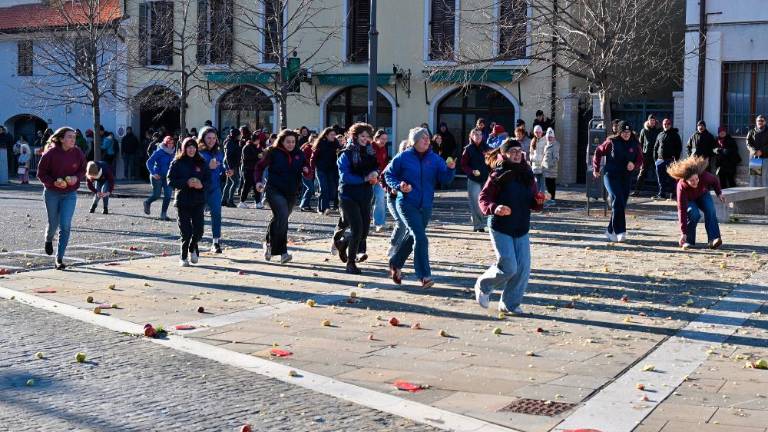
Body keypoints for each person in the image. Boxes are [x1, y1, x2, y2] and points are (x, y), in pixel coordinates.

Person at [475, 138, 545, 313]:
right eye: (512, 151)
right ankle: (483, 286)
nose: (516, 154)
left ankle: (509, 304)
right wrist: (495, 208)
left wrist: (538, 202)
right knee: (509, 267)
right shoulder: (498, 174)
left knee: (523, 269)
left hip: (521, 227)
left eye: (519, 151)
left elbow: (533, 201)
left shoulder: (527, 174)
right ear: (504, 154)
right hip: (501, 227)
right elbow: (483, 198)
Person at [384, 127, 456, 288]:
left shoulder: (435, 158)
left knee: (414, 236)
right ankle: (424, 275)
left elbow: (445, 179)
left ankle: (395, 263)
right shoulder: (403, 157)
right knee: (421, 238)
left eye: (427, 137)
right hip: (406, 203)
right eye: (423, 137)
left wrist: (451, 169)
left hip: (426, 205)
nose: (427, 140)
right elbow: (388, 174)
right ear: (414, 140)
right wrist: (399, 185)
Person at [254, 129, 307, 264]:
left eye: (293, 142)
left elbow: (307, 167)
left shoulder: (299, 154)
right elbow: (259, 167)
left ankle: (268, 244)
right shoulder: (273, 152)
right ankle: (283, 252)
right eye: (288, 142)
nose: (291, 144)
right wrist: (258, 181)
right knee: (282, 215)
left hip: (291, 191)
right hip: (274, 189)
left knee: (280, 218)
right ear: (281, 141)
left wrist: (307, 170)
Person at [36, 127, 86, 270]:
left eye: (74, 137)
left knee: (65, 225)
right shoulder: (50, 153)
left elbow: (83, 169)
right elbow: (41, 173)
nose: (73, 139)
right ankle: (48, 239)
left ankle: (59, 259)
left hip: (70, 194)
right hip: (52, 193)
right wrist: (54, 182)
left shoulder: (78, 152)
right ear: (61, 139)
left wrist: (76, 177)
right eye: (69, 137)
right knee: (53, 223)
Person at [332, 123, 379, 274]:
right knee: (357, 229)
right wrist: (365, 178)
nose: (365, 139)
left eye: (368, 136)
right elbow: (345, 176)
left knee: (364, 232)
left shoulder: (370, 152)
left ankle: (343, 243)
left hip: (365, 194)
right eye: (362, 136)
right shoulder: (346, 154)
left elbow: (375, 167)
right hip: (348, 195)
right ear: (355, 136)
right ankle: (351, 263)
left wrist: (375, 174)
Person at [593, 121, 643, 243]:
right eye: (624, 132)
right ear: (619, 132)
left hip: (625, 177)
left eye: (628, 132)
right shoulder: (611, 142)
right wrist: (596, 168)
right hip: (610, 175)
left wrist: (634, 165)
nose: (626, 134)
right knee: (617, 197)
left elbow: (640, 160)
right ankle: (620, 231)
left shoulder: (635, 143)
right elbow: (598, 151)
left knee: (620, 204)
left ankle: (610, 230)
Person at [168, 138, 210, 266]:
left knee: (199, 231)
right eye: (188, 147)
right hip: (182, 201)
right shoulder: (177, 162)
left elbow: (209, 180)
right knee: (186, 232)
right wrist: (186, 183)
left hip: (198, 201)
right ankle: (183, 256)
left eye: (193, 147)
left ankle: (193, 247)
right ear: (184, 148)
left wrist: (201, 185)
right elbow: (170, 181)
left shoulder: (202, 162)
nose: (191, 150)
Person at [667, 157, 724, 250]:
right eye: (692, 181)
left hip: (702, 194)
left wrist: (719, 193)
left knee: (710, 210)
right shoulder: (681, 187)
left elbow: (714, 180)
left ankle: (713, 239)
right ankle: (688, 240)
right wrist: (683, 233)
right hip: (688, 199)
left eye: (696, 179)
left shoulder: (704, 176)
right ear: (686, 180)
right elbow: (682, 211)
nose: (695, 182)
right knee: (694, 214)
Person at [198, 126, 225, 253]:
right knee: (197, 215)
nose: (211, 140)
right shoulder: (198, 153)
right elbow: (194, 170)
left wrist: (226, 171)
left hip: (215, 188)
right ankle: (194, 241)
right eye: (208, 138)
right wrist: (208, 167)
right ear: (202, 138)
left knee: (216, 214)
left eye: (214, 138)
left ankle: (216, 242)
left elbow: (221, 167)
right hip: (200, 188)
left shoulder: (218, 153)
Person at [461, 128, 489, 232]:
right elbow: (463, 165)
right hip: (473, 179)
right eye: (476, 135)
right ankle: (478, 226)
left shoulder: (487, 148)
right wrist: (471, 171)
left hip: (486, 179)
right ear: (471, 136)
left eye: (480, 134)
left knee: (485, 202)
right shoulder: (468, 149)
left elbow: (492, 161)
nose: (478, 137)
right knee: (475, 203)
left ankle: (478, 220)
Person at [144, 136, 175, 221]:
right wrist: (153, 173)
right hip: (157, 176)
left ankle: (163, 214)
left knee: (168, 195)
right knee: (156, 195)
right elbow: (149, 162)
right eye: (169, 143)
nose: (171, 145)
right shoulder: (159, 151)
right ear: (165, 143)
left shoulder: (173, 152)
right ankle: (147, 202)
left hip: (168, 177)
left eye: (172, 143)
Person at [310, 127, 340, 215]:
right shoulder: (320, 143)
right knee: (324, 188)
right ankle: (324, 208)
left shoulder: (336, 143)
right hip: (321, 169)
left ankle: (323, 207)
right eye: (331, 135)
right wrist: (312, 169)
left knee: (332, 189)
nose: (333, 136)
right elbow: (313, 157)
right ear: (326, 135)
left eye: (334, 134)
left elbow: (340, 154)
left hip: (331, 169)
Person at [652, 118, 683, 200]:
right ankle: (662, 194)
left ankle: (673, 194)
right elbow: (655, 147)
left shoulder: (675, 134)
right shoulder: (660, 134)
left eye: (668, 124)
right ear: (662, 125)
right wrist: (655, 159)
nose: (666, 125)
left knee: (671, 178)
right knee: (660, 179)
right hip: (660, 160)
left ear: (670, 124)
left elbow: (679, 147)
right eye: (664, 124)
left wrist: (676, 159)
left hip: (670, 160)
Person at [632, 114, 661, 197]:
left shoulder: (659, 130)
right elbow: (640, 143)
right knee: (642, 173)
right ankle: (637, 191)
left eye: (653, 120)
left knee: (659, 173)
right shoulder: (644, 130)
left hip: (656, 155)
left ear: (655, 121)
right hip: (646, 155)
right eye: (651, 120)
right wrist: (640, 154)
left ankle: (661, 192)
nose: (652, 122)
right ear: (648, 121)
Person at [239, 131, 264, 208]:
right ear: (254, 140)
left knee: (256, 185)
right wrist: (257, 156)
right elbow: (246, 158)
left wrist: (262, 154)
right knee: (247, 186)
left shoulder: (256, 147)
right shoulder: (247, 147)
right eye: (258, 140)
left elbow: (260, 154)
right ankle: (242, 201)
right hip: (248, 169)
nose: (259, 141)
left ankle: (258, 202)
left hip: (255, 169)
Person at [371, 129, 390, 232]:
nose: (384, 141)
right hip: (368, 178)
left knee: (380, 198)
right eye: (382, 139)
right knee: (367, 201)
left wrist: (383, 177)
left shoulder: (384, 149)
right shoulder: (370, 147)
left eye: (386, 139)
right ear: (376, 138)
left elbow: (384, 164)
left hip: (379, 179)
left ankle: (379, 223)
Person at [222, 127, 243, 208]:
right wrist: (230, 168)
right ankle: (230, 201)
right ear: (236, 135)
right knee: (235, 182)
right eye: (239, 135)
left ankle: (224, 200)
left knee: (229, 183)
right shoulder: (230, 143)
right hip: (231, 165)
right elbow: (228, 156)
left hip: (232, 164)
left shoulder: (234, 142)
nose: (240, 136)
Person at [747, 114, 768, 187]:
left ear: (765, 122)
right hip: (755, 158)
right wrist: (754, 151)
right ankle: (752, 194)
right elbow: (748, 143)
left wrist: (761, 151)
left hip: (765, 157)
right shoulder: (751, 132)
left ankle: (765, 194)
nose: (760, 122)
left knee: (764, 178)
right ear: (756, 122)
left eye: (762, 120)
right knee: (754, 178)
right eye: (759, 120)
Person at [541, 128, 560, 206]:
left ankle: (552, 199)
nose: (549, 138)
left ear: (553, 137)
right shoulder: (546, 144)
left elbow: (556, 158)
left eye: (551, 137)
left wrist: (550, 165)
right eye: (548, 137)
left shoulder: (555, 145)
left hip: (551, 169)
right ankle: (550, 199)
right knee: (548, 184)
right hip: (546, 169)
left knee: (551, 185)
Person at [299, 136, 316, 211]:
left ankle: (306, 205)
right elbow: (303, 160)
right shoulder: (307, 148)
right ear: (311, 141)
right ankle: (303, 205)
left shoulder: (313, 148)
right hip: (306, 171)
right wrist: (304, 167)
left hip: (310, 171)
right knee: (310, 188)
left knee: (306, 188)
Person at [529, 125, 545, 192]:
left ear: (542, 132)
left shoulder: (545, 140)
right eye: (536, 132)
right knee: (536, 184)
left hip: (543, 166)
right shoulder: (533, 140)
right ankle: (536, 197)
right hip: (535, 165)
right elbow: (531, 152)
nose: (538, 134)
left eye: (539, 132)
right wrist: (532, 158)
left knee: (543, 184)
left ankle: (542, 197)